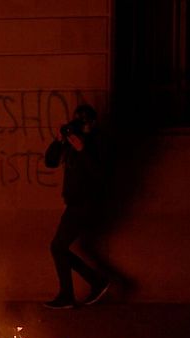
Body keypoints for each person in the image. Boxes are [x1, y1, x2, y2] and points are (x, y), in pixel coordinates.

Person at [43, 104, 110, 309]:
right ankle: (95, 281)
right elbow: (50, 162)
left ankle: (70, 294)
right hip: (75, 203)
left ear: (92, 123)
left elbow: (101, 174)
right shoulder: (72, 143)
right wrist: (59, 140)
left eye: (83, 121)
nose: (80, 126)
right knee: (59, 248)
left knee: (57, 247)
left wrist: (84, 150)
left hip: (86, 203)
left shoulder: (98, 142)